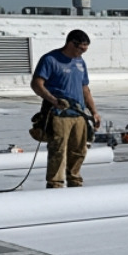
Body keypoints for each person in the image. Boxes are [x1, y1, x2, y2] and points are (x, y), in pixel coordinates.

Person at [30, 30, 101, 189]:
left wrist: (94, 112)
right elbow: (37, 84)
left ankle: (74, 180)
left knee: (79, 150)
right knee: (58, 150)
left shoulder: (80, 62)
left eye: (85, 50)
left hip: (79, 114)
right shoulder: (50, 60)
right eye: (81, 49)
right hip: (58, 114)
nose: (82, 52)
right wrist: (53, 100)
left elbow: (85, 89)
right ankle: (55, 183)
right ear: (71, 43)